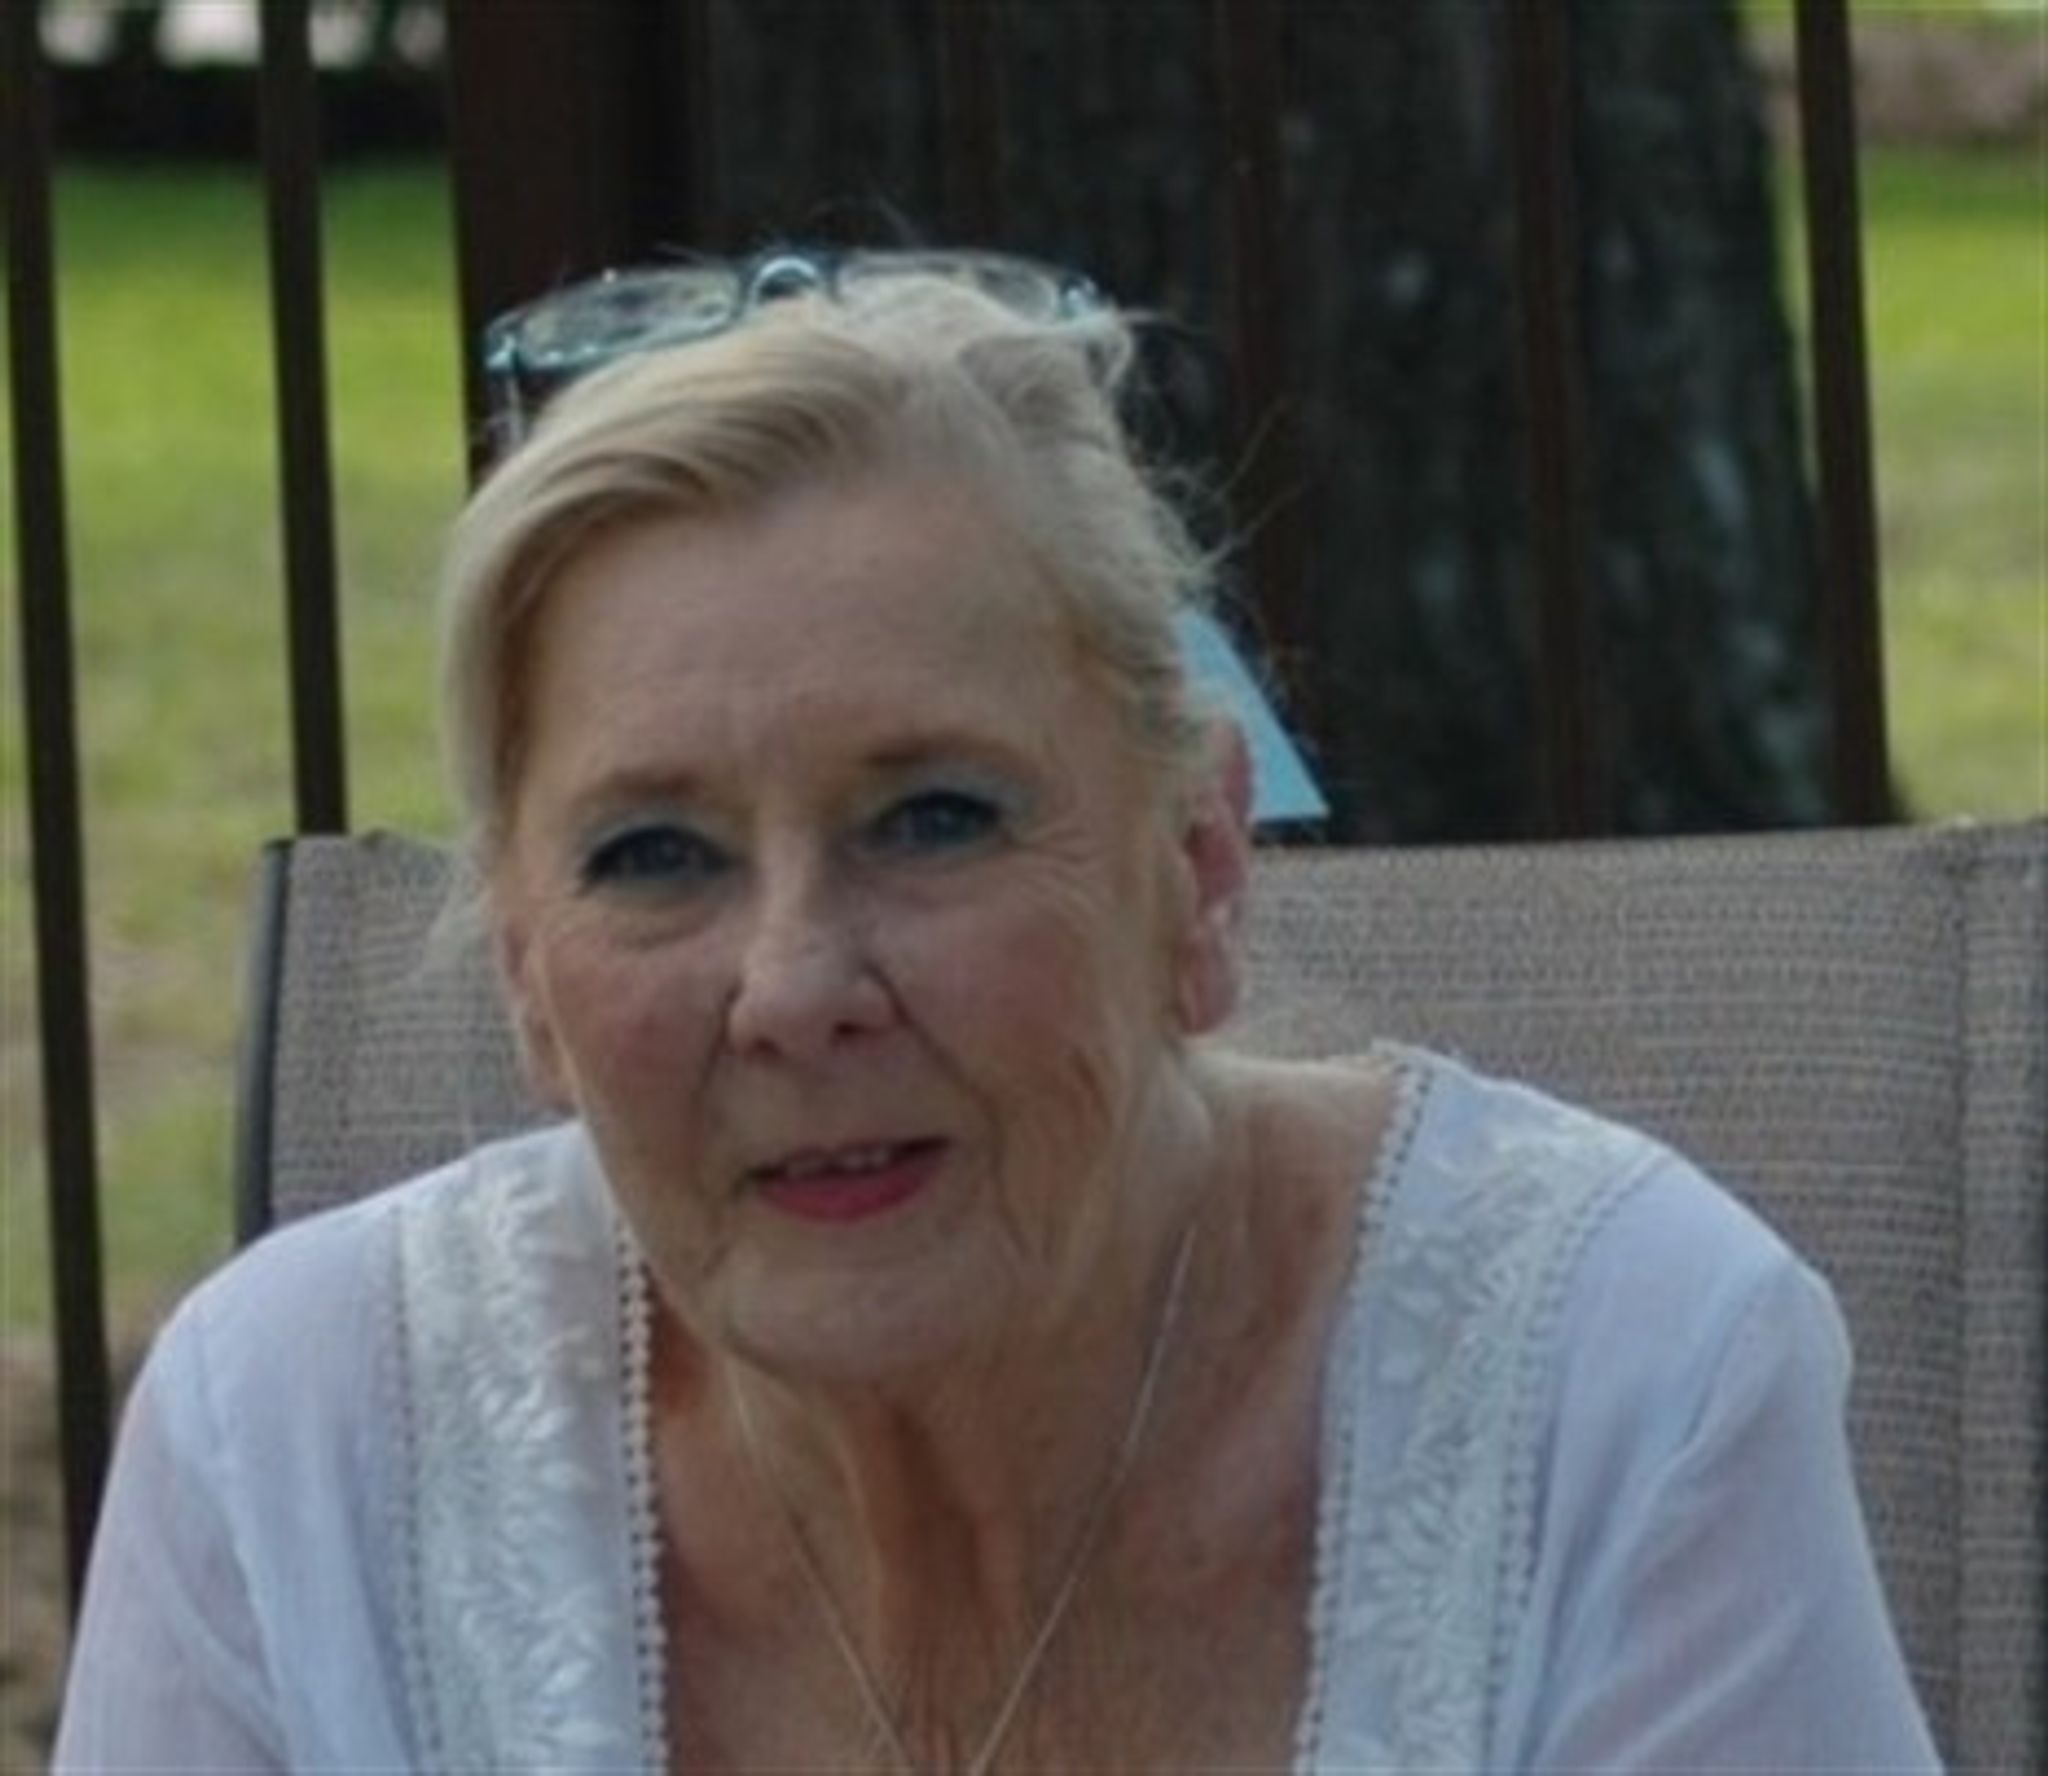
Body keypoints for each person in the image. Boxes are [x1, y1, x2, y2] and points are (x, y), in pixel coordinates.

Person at [55, 251, 1940, 1772]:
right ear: (527, 976)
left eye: (934, 818)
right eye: (653, 855)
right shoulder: (293, 1450)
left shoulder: (1618, 1387)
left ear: (1197, 868)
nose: (795, 990)